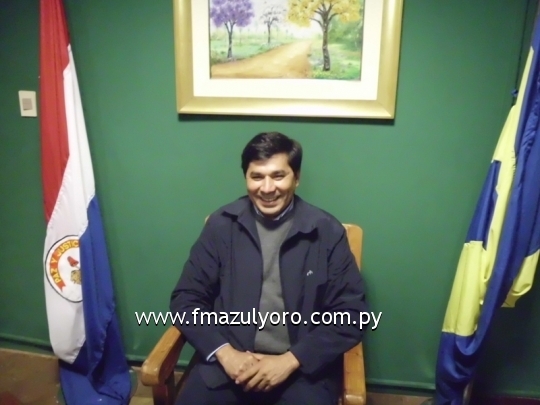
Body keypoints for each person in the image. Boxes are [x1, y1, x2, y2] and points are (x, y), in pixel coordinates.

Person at [170, 132, 368, 405]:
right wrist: (225, 353)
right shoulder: (221, 225)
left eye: (278, 176)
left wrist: (291, 360)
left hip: (302, 369)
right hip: (228, 364)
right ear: (246, 178)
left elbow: (352, 314)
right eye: (257, 176)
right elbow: (186, 299)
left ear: (296, 178)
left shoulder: (327, 231)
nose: (266, 188)